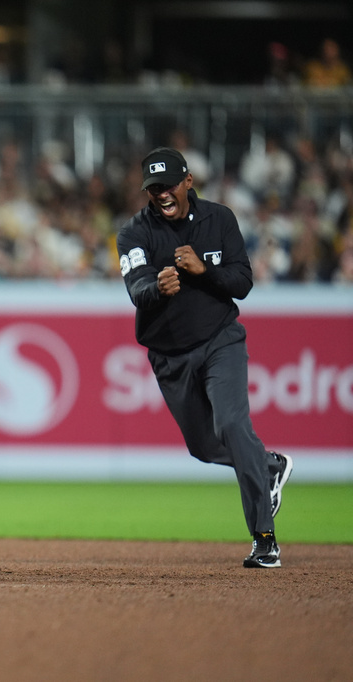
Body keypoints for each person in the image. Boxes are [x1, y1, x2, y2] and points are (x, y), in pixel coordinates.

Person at [115, 147, 294, 569]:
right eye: (153, 188)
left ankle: (264, 538)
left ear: (189, 181)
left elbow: (243, 282)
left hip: (220, 340)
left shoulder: (220, 219)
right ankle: (268, 465)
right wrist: (158, 287)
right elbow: (136, 290)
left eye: (169, 185)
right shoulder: (134, 233)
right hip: (169, 355)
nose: (162, 194)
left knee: (232, 424)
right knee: (201, 446)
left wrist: (203, 271)